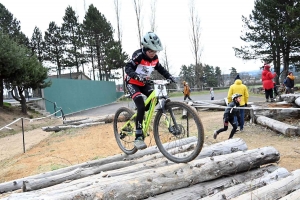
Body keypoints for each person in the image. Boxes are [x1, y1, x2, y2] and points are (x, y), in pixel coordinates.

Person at [124, 32, 175, 149]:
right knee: (141, 105)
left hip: (143, 83)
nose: (153, 54)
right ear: (145, 48)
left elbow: (160, 69)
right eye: (150, 51)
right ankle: (138, 136)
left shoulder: (155, 59)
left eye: (155, 51)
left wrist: (169, 76)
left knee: (155, 99)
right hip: (132, 82)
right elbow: (127, 68)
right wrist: (136, 76)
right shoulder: (138, 56)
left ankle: (140, 116)